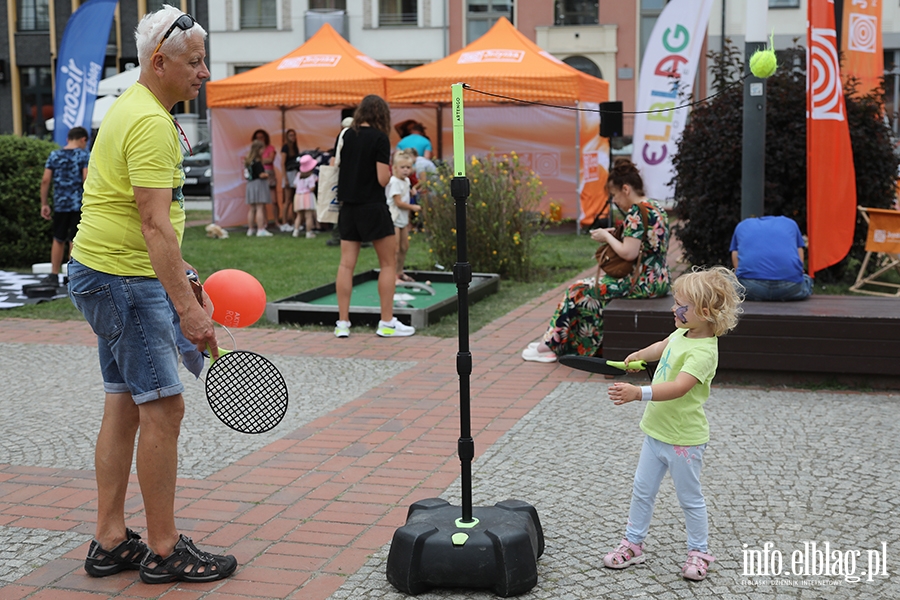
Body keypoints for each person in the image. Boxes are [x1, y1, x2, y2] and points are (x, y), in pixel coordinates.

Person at [67, 6, 236, 584]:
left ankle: (111, 540)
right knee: (163, 406)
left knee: (124, 404)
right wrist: (188, 311)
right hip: (122, 281)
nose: (204, 72)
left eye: (204, 61)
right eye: (194, 62)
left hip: (101, 273)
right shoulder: (150, 122)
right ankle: (164, 550)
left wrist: (183, 276)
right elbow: (152, 223)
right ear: (158, 62)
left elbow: (143, 219)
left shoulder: (133, 109)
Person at [604, 266, 744, 581]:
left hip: (684, 441)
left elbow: (679, 387)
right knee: (642, 490)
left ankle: (699, 552)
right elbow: (663, 346)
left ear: (705, 312)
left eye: (681, 305)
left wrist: (637, 393)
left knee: (689, 498)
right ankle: (633, 544)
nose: (673, 308)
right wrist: (638, 356)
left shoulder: (704, 351)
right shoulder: (683, 332)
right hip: (656, 433)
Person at [522, 158, 670, 362]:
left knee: (577, 289)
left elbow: (629, 253)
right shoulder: (655, 207)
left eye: (614, 195)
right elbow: (646, 244)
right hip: (658, 281)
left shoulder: (636, 211)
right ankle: (561, 342)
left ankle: (550, 345)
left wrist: (606, 236)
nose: (615, 201)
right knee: (590, 294)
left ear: (625, 189)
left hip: (640, 283)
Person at [333, 95, 415, 338]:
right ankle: (387, 322)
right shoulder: (380, 138)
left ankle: (342, 323)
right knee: (388, 264)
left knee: (346, 264)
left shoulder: (346, 134)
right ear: (382, 115)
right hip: (373, 207)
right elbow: (381, 178)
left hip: (348, 208)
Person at [40, 125, 90, 285]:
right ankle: (72, 276)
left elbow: (45, 180)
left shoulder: (54, 155)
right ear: (83, 139)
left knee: (58, 238)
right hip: (78, 204)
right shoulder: (83, 155)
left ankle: (54, 275)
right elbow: (86, 179)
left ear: (68, 139)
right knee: (74, 239)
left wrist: (44, 203)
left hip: (60, 204)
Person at [729, 215, 813, 301]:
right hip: (790, 287)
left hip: (751, 287)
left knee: (730, 281)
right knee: (806, 279)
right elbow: (800, 256)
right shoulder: (791, 224)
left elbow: (736, 262)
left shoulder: (742, 225)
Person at [385, 150, 421, 282]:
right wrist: (413, 207)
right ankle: (392, 275)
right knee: (394, 248)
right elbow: (398, 202)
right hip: (394, 217)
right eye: (402, 167)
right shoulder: (394, 181)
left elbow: (405, 195)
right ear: (395, 168)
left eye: (408, 167)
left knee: (404, 246)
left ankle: (399, 272)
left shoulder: (406, 181)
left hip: (403, 218)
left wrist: (411, 193)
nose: (405, 170)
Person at [252, 129, 280, 229]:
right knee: (262, 201)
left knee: (274, 200)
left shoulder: (270, 148)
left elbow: (270, 159)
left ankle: (276, 221)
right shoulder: (255, 150)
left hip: (270, 174)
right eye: (258, 137)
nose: (260, 139)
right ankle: (265, 221)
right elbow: (255, 162)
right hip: (261, 175)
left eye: (262, 137)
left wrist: (260, 161)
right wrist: (261, 162)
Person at [244, 139, 272, 237]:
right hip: (258, 184)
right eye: (262, 148)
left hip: (250, 185)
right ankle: (261, 229)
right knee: (260, 207)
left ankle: (250, 229)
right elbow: (261, 175)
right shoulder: (257, 162)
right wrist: (267, 174)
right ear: (258, 149)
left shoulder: (248, 161)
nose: (263, 151)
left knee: (252, 209)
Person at [292, 154, 318, 238]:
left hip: (298, 196)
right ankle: (308, 232)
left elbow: (295, 185)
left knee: (299, 216)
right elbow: (312, 188)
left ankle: (295, 231)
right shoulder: (311, 177)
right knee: (308, 216)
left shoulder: (298, 175)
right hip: (307, 197)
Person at [280, 128, 300, 232]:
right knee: (287, 200)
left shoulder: (295, 147)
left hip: (295, 173)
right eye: (291, 135)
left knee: (294, 199)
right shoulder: (285, 148)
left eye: (294, 135)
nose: (293, 137)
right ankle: (284, 222)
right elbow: (282, 163)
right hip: (288, 173)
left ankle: (293, 221)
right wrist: (285, 178)